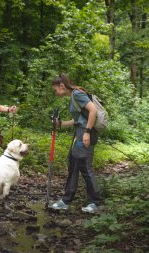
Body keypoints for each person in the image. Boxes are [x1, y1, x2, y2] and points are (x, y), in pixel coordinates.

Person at [49, 73, 101, 213]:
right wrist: (60, 124)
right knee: (74, 164)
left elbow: (93, 110)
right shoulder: (73, 96)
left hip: (85, 137)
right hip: (81, 136)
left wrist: (87, 132)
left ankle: (93, 203)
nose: (56, 93)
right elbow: (77, 120)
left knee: (84, 167)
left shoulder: (77, 94)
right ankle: (67, 201)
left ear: (62, 86)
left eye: (55, 90)